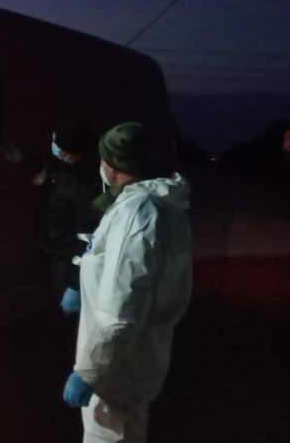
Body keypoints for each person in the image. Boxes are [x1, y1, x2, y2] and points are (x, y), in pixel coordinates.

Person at [63, 122, 192, 443]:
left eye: (103, 158)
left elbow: (123, 309)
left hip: (118, 371)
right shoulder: (152, 205)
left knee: (113, 434)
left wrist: (90, 371)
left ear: (114, 165)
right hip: (132, 358)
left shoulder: (138, 213)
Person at [35, 121, 100, 355]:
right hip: (57, 253)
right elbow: (43, 179)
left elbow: (87, 239)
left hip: (69, 261)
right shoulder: (66, 169)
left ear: (69, 149)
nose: (53, 145)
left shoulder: (85, 183)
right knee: (61, 320)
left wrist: (74, 285)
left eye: (57, 142)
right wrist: (22, 160)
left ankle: (80, 366)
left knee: (75, 325)